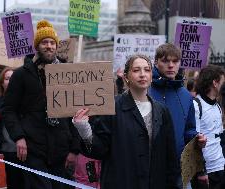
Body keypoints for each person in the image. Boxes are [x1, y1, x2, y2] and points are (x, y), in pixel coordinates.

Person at [73, 54, 179, 189]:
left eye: (147, 70)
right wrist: (84, 129)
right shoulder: (113, 107)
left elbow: (170, 157)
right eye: (136, 70)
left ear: (152, 76)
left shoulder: (162, 111)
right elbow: (100, 150)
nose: (142, 74)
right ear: (126, 76)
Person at [2, 20, 80, 189]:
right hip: (33, 149)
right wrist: (19, 137)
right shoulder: (21, 75)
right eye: (44, 42)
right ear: (37, 46)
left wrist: (75, 149)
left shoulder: (67, 73)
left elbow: (75, 112)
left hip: (61, 150)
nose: (49, 46)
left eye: (52, 43)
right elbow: (9, 109)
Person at [148, 43, 207, 187]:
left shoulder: (186, 96)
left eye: (175, 61)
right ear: (156, 62)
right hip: (148, 168)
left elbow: (189, 130)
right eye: (165, 61)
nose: (170, 65)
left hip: (177, 170)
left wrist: (198, 139)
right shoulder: (145, 90)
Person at [191, 65, 225, 189]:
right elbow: (193, 141)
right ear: (215, 83)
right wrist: (201, 171)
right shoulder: (196, 105)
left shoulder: (217, 106)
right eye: (222, 81)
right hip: (206, 173)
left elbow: (220, 138)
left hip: (220, 167)